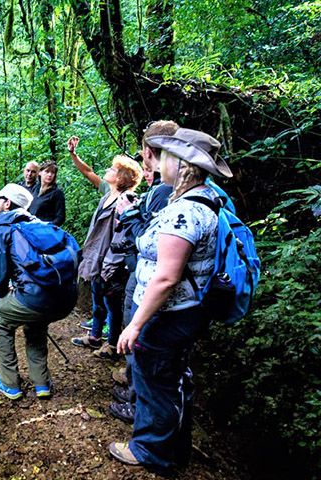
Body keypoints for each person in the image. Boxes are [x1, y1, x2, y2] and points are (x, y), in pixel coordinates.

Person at [108, 128, 233, 475]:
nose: (158, 162)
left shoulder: (186, 212)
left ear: (182, 164)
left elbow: (166, 277)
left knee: (155, 382)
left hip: (169, 315)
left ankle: (150, 452)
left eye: (165, 157)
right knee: (172, 379)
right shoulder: (199, 200)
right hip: (183, 313)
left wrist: (135, 324)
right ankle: (175, 448)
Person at [109, 120, 179, 424]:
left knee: (147, 352)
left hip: (156, 287)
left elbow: (148, 242)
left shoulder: (168, 192)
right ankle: (136, 396)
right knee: (145, 353)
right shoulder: (170, 190)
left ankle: (145, 424)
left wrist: (129, 216)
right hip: (149, 281)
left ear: (149, 152)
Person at [0, 183, 76, 400]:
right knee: (35, 324)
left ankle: (10, 384)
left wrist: (2, 296)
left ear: (7, 204)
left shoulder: (1, 226)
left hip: (36, 298)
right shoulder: (37, 223)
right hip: (65, 297)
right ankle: (41, 383)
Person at [67, 136, 143, 359]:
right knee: (97, 299)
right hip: (97, 259)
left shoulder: (127, 200)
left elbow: (123, 237)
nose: (107, 170)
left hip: (112, 263)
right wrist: (73, 154)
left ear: (121, 178)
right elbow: (87, 172)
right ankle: (95, 336)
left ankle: (112, 345)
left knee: (111, 303)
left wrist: (111, 265)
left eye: (112, 168)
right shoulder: (108, 194)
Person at [28, 161, 66, 225]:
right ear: (40, 172)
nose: (50, 175)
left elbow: (60, 218)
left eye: (53, 172)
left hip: (46, 231)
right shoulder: (35, 188)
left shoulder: (57, 192)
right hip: (31, 228)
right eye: (47, 172)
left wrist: (47, 226)